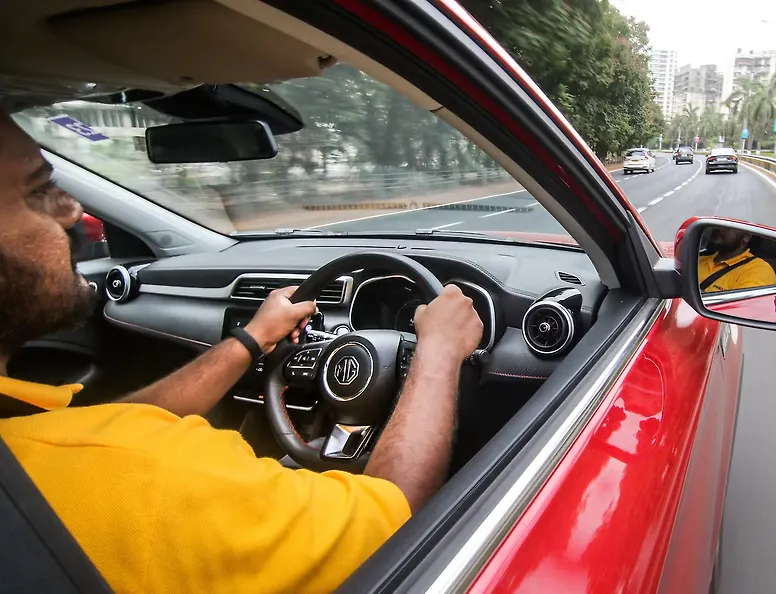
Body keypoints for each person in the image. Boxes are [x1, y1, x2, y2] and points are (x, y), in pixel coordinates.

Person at [0, 111, 483, 593]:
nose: (70, 212)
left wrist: (253, 339)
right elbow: (393, 522)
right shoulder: (146, 480)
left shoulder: (41, 442)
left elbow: (118, 423)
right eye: (36, 192)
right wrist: (438, 350)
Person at [697, 227, 776, 292]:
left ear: (746, 237)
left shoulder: (759, 270)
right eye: (717, 223)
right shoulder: (698, 260)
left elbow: (742, 308)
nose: (720, 228)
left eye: (728, 225)